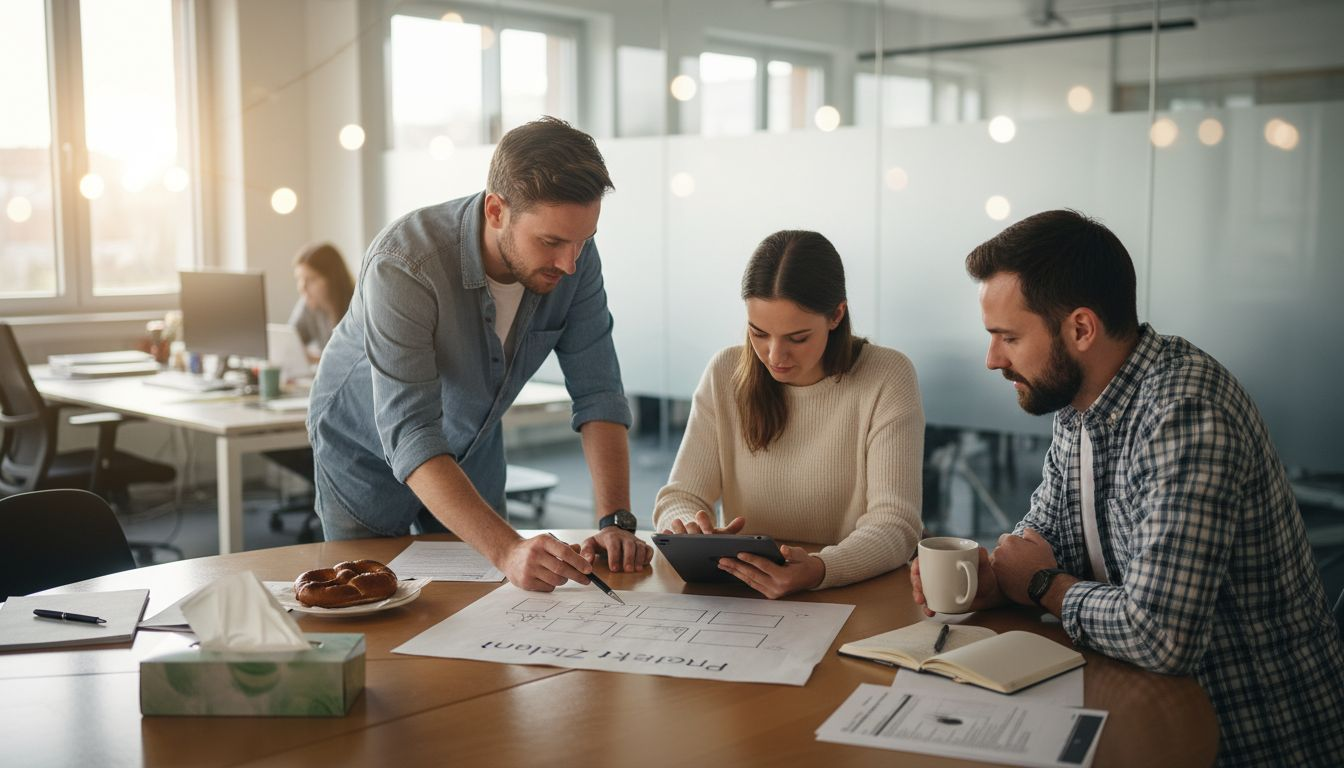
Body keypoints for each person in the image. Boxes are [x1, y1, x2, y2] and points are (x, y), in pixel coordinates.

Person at [911, 209, 1344, 766]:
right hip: (1135, 703)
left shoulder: (1185, 412)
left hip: (1246, 738)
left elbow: (1162, 635)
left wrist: (1041, 584)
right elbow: (1045, 533)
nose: (992, 359)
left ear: (1081, 329)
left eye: (1009, 338)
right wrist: (996, 579)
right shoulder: (1080, 402)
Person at [309, 117, 651, 590]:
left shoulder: (574, 260)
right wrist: (507, 548)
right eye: (551, 242)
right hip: (363, 447)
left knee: (484, 602)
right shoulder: (404, 263)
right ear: (496, 211)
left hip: (474, 436)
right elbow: (411, 431)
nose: (570, 264)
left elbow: (599, 393)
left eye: (583, 241)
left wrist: (615, 520)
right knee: (368, 600)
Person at [653, 230, 924, 599]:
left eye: (797, 338)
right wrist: (689, 529)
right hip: (748, 598)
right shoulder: (725, 372)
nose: (775, 356)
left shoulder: (886, 376)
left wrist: (820, 569)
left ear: (836, 315)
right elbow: (679, 498)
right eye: (759, 333)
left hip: (851, 593)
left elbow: (896, 524)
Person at [288, 242, 355, 363]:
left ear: (332, 279)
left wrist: (318, 359)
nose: (302, 287)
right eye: (299, 279)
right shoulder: (308, 303)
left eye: (311, 279)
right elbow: (290, 339)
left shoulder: (356, 309)